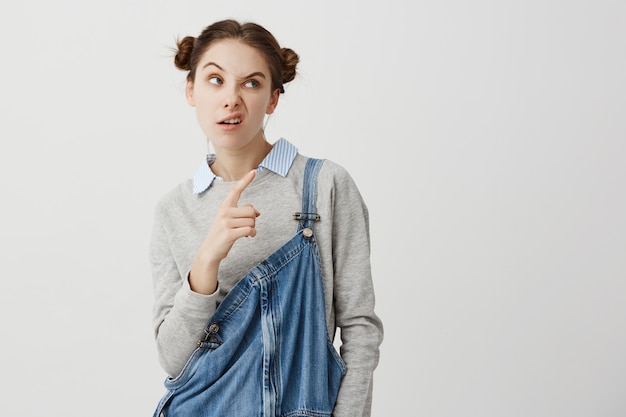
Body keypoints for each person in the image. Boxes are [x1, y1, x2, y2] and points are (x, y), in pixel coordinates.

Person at [149, 19, 383, 417]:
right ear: (191, 90)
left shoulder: (324, 185)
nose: (231, 99)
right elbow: (174, 360)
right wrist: (207, 258)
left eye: (252, 83)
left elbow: (360, 330)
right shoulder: (174, 209)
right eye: (215, 80)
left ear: (273, 99)